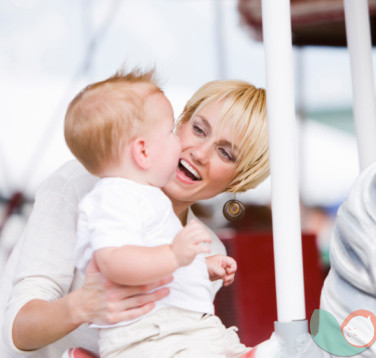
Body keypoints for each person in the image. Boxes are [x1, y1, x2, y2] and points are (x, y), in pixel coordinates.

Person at [0, 71, 269, 357]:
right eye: (199, 130)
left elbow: (175, 337)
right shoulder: (82, 185)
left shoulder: (206, 246)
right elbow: (17, 330)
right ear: (180, 123)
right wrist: (82, 305)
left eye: (225, 153)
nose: (199, 153)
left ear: (240, 180)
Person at [63, 70, 244, 357]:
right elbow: (114, 261)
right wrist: (174, 256)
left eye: (225, 152)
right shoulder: (115, 196)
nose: (196, 153)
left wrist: (199, 265)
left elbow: (157, 265)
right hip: (145, 336)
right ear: (143, 152)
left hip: (172, 330)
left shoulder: (143, 196)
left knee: (221, 344)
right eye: (172, 131)